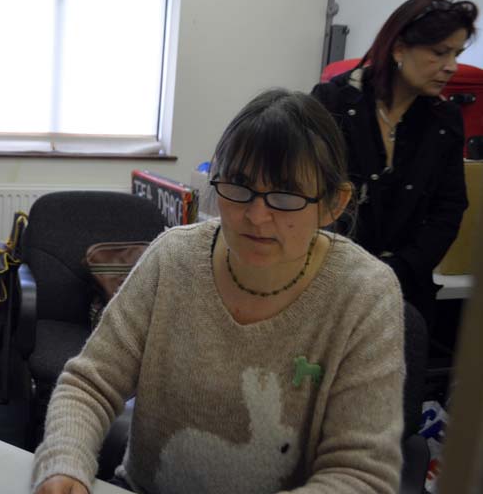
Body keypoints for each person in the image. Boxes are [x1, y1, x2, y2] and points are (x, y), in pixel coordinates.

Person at [31, 89, 405, 494]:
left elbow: (361, 475)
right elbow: (89, 384)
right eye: (239, 186)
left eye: (285, 194)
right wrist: (64, 463)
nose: (257, 216)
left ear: (333, 203)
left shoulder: (365, 294)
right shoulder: (174, 258)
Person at [311, 0, 477, 321]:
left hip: (403, 292)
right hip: (328, 285)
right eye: (439, 52)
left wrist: (396, 271)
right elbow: (309, 195)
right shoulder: (333, 102)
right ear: (399, 48)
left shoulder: (444, 120)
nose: (452, 67)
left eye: (457, 54)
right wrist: (350, 273)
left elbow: (449, 208)